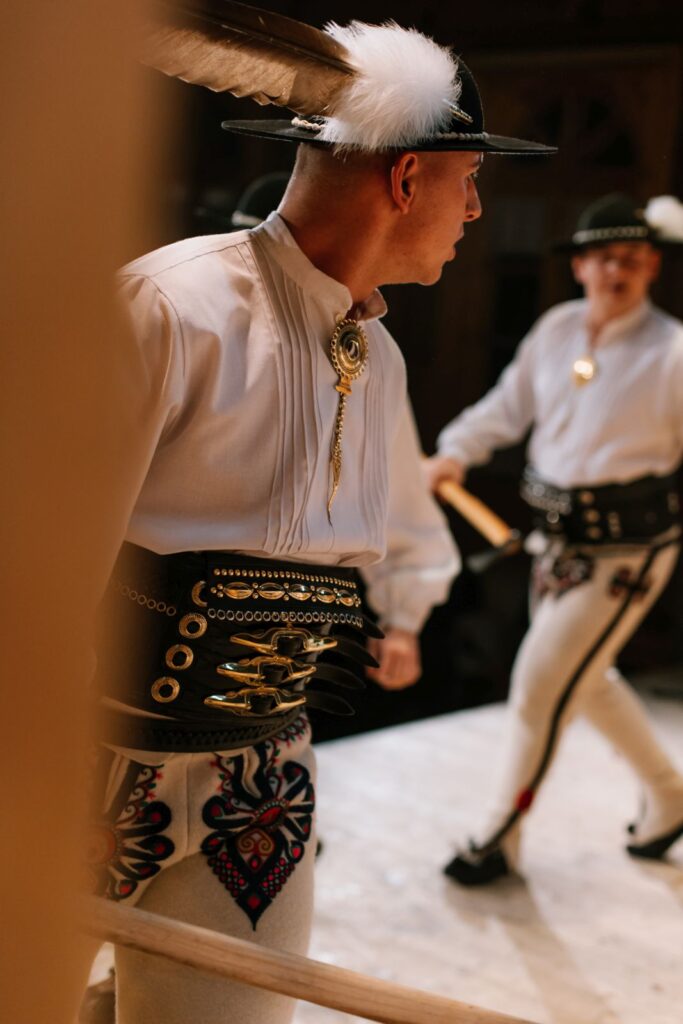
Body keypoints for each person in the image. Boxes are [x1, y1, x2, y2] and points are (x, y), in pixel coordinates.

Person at [88, 16, 554, 1024]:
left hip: (258, 788)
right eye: (468, 179)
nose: (476, 208)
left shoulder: (377, 357)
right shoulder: (169, 307)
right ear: (407, 178)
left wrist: (401, 614)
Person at [426, 193, 683, 886]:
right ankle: (670, 794)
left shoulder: (672, 351)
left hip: (629, 550)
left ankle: (498, 835)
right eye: (602, 257)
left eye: (630, 258)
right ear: (579, 266)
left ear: (652, 265)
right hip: (555, 543)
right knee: (583, 679)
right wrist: (455, 451)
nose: (615, 270)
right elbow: (506, 407)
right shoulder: (557, 329)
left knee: (540, 682)